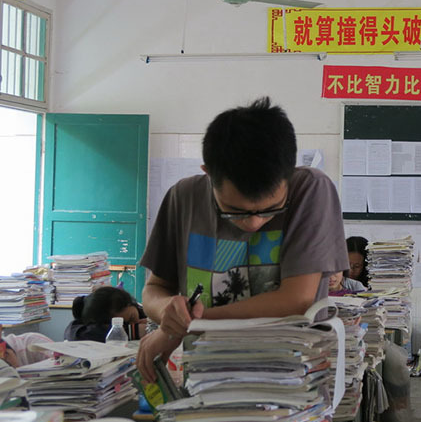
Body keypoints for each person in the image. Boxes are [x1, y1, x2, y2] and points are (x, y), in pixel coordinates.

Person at [136, 98, 348, 382]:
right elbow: (154, 290)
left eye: (271, 209)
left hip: (291, 384)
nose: (254, 222)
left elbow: (296, 300)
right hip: (206, 381)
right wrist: (168, 313)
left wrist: (188, 324)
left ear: (289, 175)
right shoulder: (183, 197)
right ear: (208, 174)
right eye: (234, 211)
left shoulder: (311, 189)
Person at [64, 285, 146, 342]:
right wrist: (133, 331)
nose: (134, 323)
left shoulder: (146, 310)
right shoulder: (84, 328)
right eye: (125, 324)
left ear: (130, 302)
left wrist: (150, 326)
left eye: (132, 317)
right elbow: (72, 334)